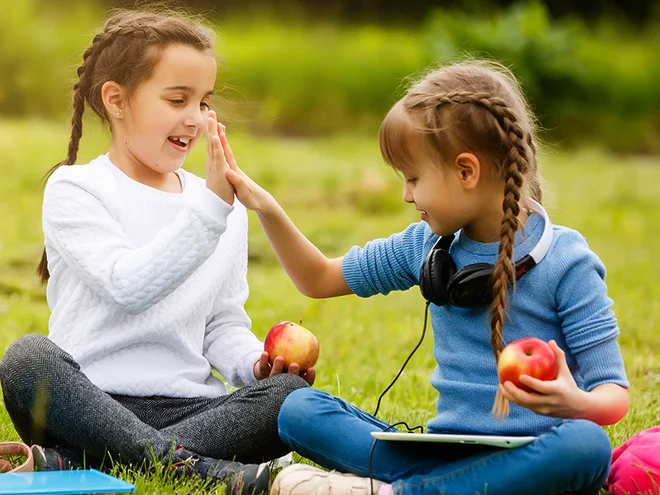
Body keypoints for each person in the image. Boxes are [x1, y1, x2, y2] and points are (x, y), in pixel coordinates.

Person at [221, 61, 630, 495]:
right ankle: (438, 486)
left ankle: (396, 491)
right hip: (439, 452)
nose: (405, 194)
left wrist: (576, 403)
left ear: (466, 171)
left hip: (535, 451)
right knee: (296, 408)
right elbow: (318, 278)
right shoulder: (427, 248)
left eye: (413, 178)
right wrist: (264, 206)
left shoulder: (567, 261)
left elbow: (614, 397)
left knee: (587, 446)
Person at [0, 9, 314, 495]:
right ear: (116, 99)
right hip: (86, 402)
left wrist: (255, 365)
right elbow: (128, 285)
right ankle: (207, 472)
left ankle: (78, 464)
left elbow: (222, 323)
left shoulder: (217, 205)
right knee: (26, 358)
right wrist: (211, 209)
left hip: (188, 407)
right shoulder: (76, 189)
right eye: (176, 99)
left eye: (204, 101)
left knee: (290, 397)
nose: (196, 119)